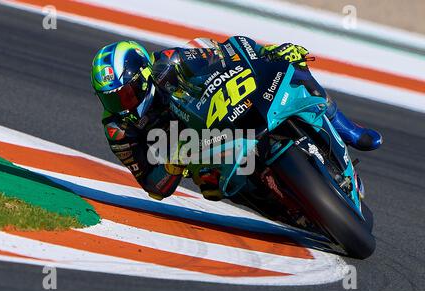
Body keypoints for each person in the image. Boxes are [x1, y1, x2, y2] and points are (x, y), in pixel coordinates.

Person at [90, 37, 382, 201]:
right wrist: (172, 161)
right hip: (204, 156)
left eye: (124, 95)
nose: (121, 106)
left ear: (143, 78)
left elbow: (227, 52)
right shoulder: (118, 129)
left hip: (228, 111)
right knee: (211, 188)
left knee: (295, 69)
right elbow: (153, 187)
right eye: (110, 99)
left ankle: (350, 131)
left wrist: (269, 53)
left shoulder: (170, 61)